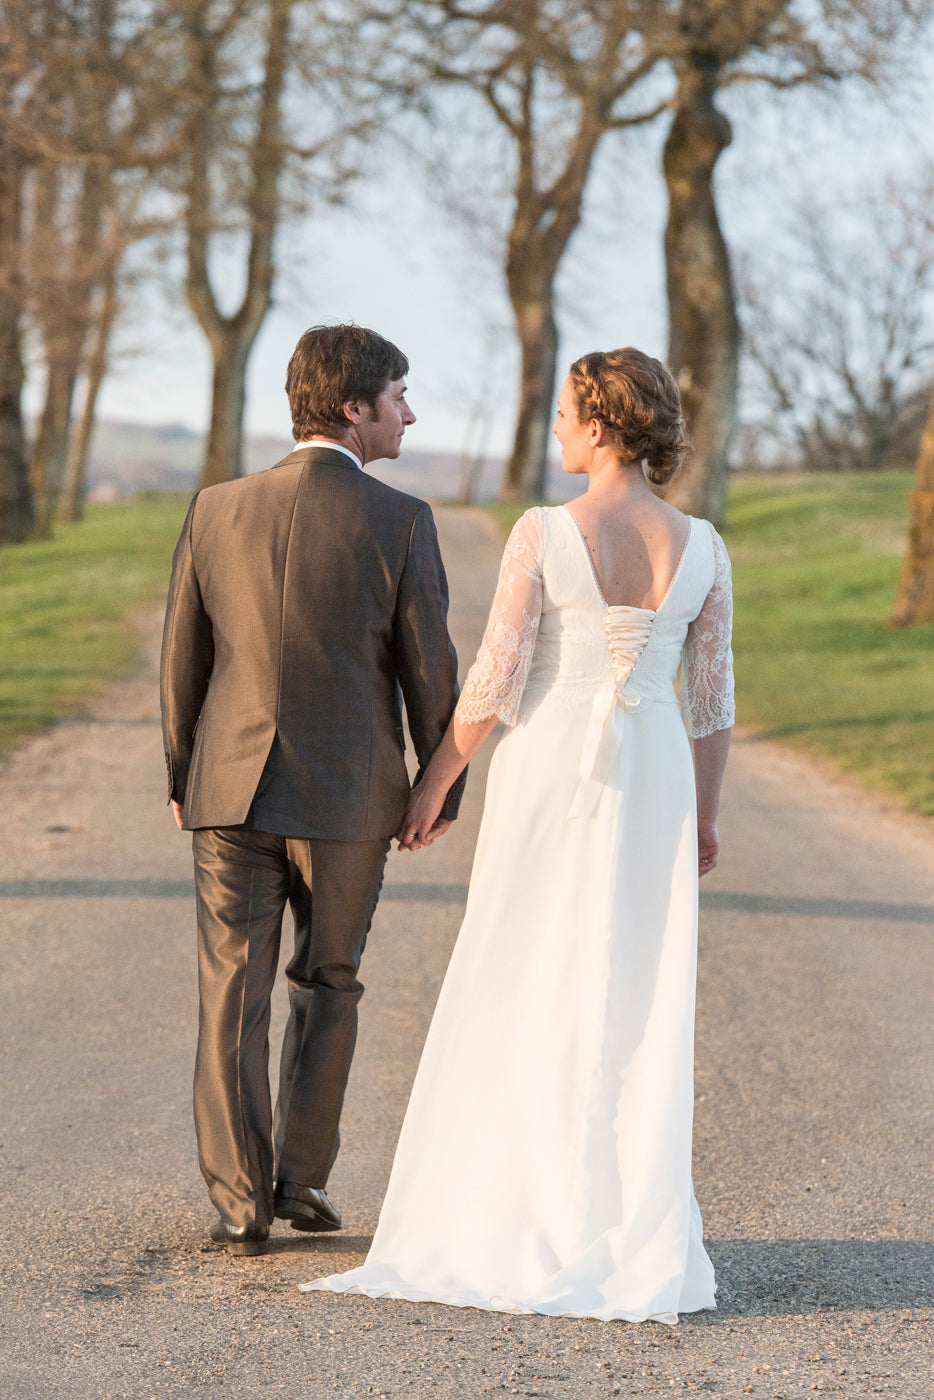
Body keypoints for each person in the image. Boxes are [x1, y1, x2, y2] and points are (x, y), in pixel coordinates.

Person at [304, 347, 735, 1322]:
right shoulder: (702, 542)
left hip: (550, 772)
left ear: (597, 423)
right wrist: (704, 814)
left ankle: (509, 1209)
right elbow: (710, 703)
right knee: (633, 985)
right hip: (656, 773)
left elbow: (494, 681)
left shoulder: (545, 531)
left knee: (523, 966)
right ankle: (621, 1221)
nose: (552, 431)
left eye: (563, 414)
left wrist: (433, 783)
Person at [160, 324, 464, 1257]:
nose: (410, 414)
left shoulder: (216, 507)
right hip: (350, 798)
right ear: (354, 408)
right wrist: (434, 792)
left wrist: (182, 775)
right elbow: (430, 673)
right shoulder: (402, 520)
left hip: (230, 789)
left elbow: (184, 658)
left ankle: (239, 1203)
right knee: (328, 982)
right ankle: (302, 1178)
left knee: (231, 991)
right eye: (399, 397)